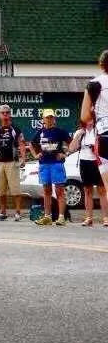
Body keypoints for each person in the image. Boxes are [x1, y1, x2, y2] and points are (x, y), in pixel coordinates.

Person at [29, 109, 71, 226]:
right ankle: (47, 216)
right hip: (44, 164)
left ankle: (61, 217)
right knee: (46, 191)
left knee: (59, 191)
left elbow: (71, 143)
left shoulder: (59, 131)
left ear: (54, 119)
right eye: (47, 118)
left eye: (51, 117)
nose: (49, 119)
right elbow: (31, 144)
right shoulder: (40, 132)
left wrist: (65, 153)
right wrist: (35, 155)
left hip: (56, 164)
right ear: (43, 119)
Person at [0, 104, 26, 221]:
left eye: (7, 113)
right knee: (0, 189)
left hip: (12, 162)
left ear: (10, 114)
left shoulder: (15, 129)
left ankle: (18, 213)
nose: (5, 115)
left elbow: (21, 143)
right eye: (3, 113)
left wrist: (23, 158)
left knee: (15, 189)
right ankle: (3, 212)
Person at [69, 122, 108, 227]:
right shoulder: (80, 131)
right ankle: (89, 218)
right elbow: (71, 149)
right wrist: (77, 136)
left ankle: (106, 218)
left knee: (102, 190)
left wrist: (95, 146)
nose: (89, 120)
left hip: (98, 161)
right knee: (87, 190)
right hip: (84, 162)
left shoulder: (99, 130)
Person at [81, 50, 108, 193]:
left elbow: (84, 117)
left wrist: (93, 111)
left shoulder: (93, 84)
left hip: (104, 136)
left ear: (101, 65)